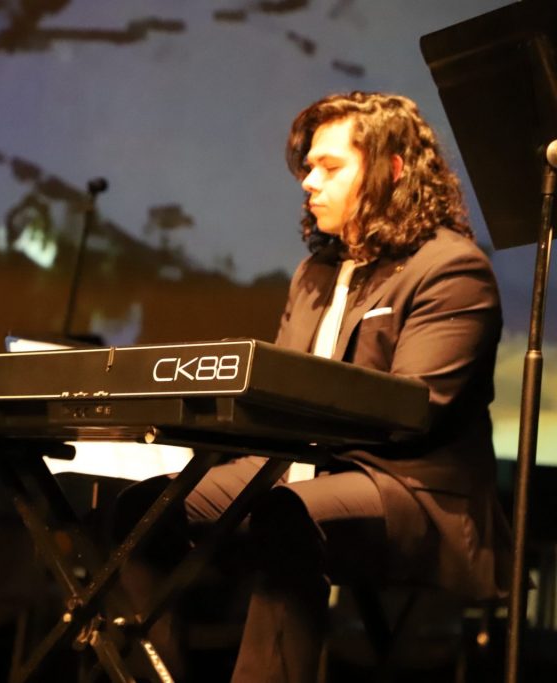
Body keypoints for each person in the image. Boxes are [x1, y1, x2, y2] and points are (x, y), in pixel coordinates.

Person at [120, 92, 511, 683]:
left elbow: (415, 408)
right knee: (141, 512)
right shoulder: (314, 273)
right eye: (308, 167)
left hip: (409, 493)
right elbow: (281, 395)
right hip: (294, 474)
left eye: (330, 166)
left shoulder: (450, 267)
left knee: (287, 516)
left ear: (392, 170)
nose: (309, 181)